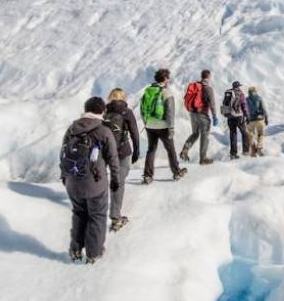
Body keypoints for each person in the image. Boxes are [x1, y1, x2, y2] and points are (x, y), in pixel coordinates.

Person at [60, 96, 120, 264]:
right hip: (95, 183)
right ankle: (93, 253)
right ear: (102, 111)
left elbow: (63, 153)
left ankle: (75, 249)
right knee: (97, 216)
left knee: (79, 213)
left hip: (73, 181)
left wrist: (65, 177)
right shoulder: (103, 131)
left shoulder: (72, 129)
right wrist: (115, 180)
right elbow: (113, 159)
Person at [140, 68, 188, 184]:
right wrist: (171, 127)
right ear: (165, 78)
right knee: (170, 150)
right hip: (163, 126)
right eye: (168, 78)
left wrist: (146, 122)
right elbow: (170, 112)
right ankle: (176, 172)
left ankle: (147, 175)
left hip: (149, 125)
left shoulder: (148, 90)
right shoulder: (167, 92)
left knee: (151, 149)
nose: (169, 80)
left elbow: (142, 108)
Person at [104, 88, 139, 232]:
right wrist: (136, 149)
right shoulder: (127, 112)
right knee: (119, 181)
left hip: (106, 152)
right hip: (123, 151)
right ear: (124, 98)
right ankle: (116, 217)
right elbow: (134, 132)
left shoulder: (104, 112)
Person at [181, 69, 219, 165]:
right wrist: (214, 116)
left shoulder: (196, 86)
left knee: (195, 134)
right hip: (202, 115)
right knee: (204, 136)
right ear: (209, 77)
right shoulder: (208, 89)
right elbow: (212, 104)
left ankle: (185, 150)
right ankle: (203, 159)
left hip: (192, 114)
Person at [221, 81, 250, 159]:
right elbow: (244, 106)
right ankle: (246, 151)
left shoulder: (228, 93)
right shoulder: (240, 94)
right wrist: (247, 115)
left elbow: (224, 104)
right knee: (245, 133)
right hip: (238, 116)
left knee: (233, 134)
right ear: (238, 86)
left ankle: (233, 154)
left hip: (230, 116)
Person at [245, 86, 268, 157]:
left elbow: (244, 110)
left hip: (250, 120)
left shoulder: (246, 99)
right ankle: (259, 147)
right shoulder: (259, 98)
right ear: (255, 91)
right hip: (259, 119)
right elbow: (264, 109)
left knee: (250, 134)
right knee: (261, 134)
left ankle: (253, 149)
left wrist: (246, 118)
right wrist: (266, 118)